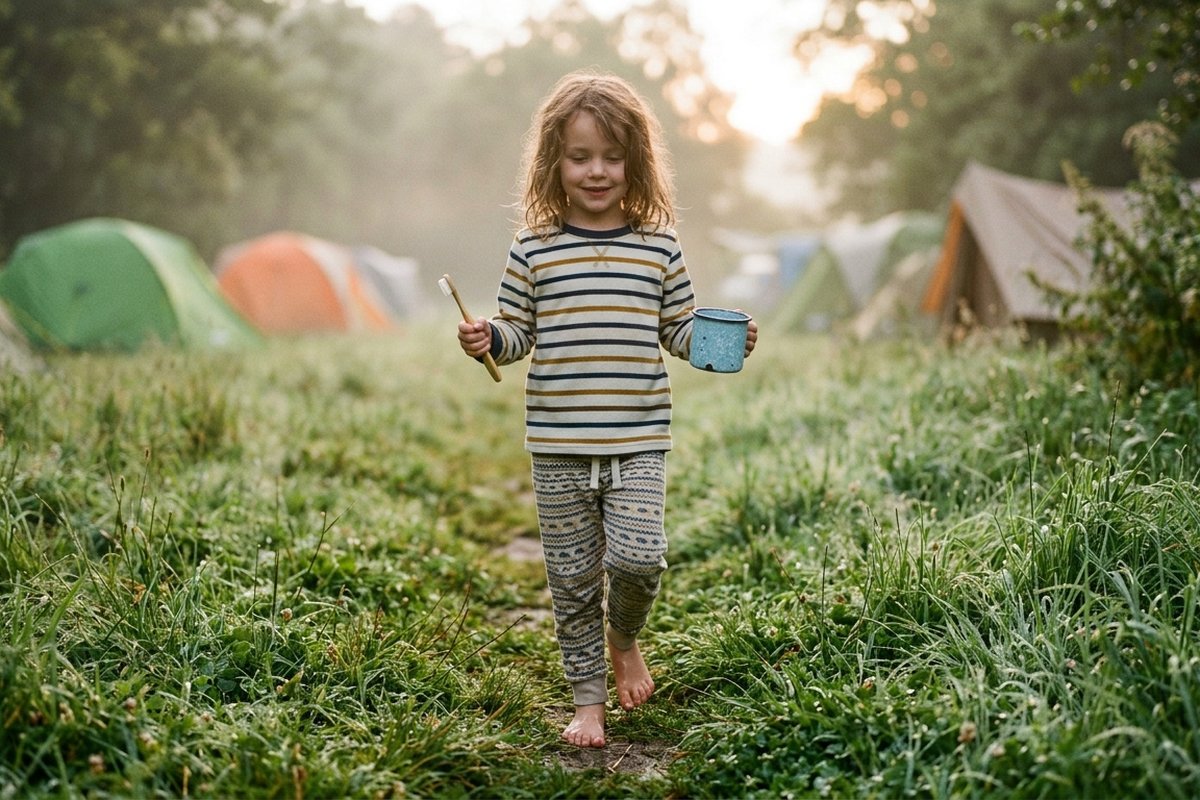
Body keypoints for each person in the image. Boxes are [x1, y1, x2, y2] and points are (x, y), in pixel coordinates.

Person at [455, 69, 758, 748]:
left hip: (638, 438)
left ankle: (624, 639)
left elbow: (679, 332)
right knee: (568, 576)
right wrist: (485, 341)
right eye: (580, 156)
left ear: (637, 162)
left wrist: (724, 341)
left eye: (613, 157)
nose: (597, 171)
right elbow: (517, 332)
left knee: (640, 560)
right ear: (554, 163)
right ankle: (587, 701)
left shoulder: (659, 246)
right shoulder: (532, 248)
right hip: (558, 441)